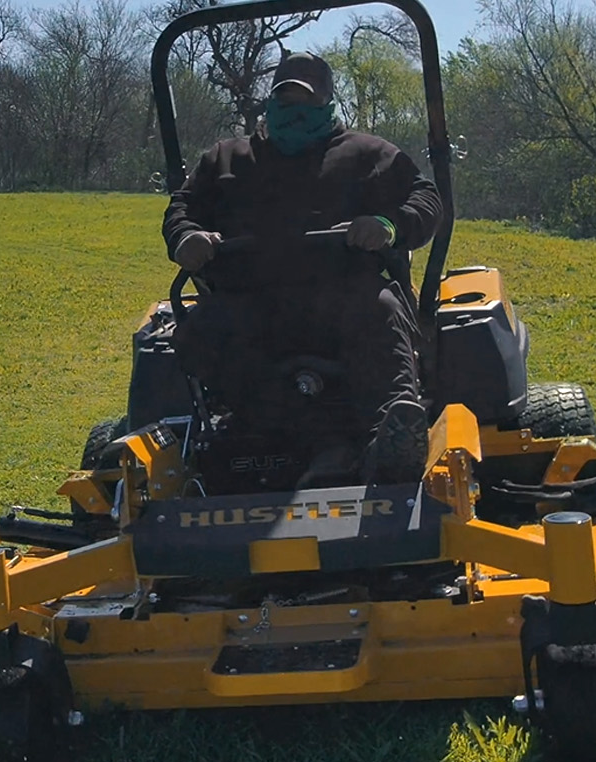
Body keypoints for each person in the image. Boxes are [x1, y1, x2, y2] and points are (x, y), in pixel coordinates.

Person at [162, 51, 442, 485]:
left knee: (379, 308)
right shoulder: (227, 160)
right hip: (252, 301)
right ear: (271, 103)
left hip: (343, 295)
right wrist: (186, 237)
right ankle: (237, 434)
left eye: (307, 104)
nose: (296, 114)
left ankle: (391, 438)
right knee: (204, 325)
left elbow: (424, 201)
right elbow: (182, 207)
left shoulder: (368, 155)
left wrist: (388, 225)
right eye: (286, 103)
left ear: (328, 104)